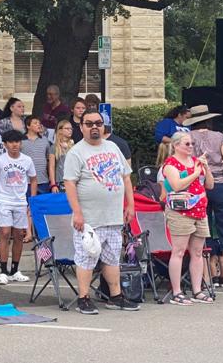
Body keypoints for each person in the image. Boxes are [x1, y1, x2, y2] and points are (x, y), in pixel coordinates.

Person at [64, 110, 137, 314]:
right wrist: (77, 212)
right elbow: (69, 183)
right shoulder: (76, 152)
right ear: (82, 127)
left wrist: (130, 205)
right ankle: (84, 297)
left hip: (113, 216)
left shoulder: (113, 147)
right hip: (89, 219)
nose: (94, 127)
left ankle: (115, 296)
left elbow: (126, 177)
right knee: (87, 257)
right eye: (89, 124)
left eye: (98, 123)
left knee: (112, 257)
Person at [184, 106, 223, 292]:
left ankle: (207, 277)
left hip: (198, 185)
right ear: (209, 120)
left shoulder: (188, 137)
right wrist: (221, 164)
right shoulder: (219, 137)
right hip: (219, 185)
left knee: (203, 229)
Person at [162, 132, 214, 305]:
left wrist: (206, 170)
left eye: (192, 143)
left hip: (199, 210)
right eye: (187, 144)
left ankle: (197, 289)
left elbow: (210, 185)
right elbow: (177, 185)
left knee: (197, 252)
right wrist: (195, 172)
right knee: (178, 251)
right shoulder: (170, 164)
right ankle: (176, 291)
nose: (191, 146)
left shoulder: (196, 162)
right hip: (180, 212)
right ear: (176, 145)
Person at [0, 129, 37, 285]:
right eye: (11, 142)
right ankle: (3, 270)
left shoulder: (27, 160)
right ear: (5, 144)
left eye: (17, 142)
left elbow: (34, 179)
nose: (15, 145)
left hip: (20, 201)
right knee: (5, 232)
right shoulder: (0, 161)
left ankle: (15, 269)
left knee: (19, 235)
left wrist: (32, 201)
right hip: (4, 200)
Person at [21, 115, 56, 193]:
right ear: (28, 126)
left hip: (43, 181)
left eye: (39, 123)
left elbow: (48, 160)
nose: (38, 125)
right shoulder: (21, 141)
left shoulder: (45, 140)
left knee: (43, 204)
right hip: (26, 181)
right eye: (35, 123)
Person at [53, 119, 76, 185]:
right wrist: (53, 184)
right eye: (67, 128)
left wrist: (68, 149)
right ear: (60, 130)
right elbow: (52, 167)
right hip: (60, 180)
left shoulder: (75, 146)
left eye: (71, 129)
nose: (70, 130)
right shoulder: (54, 147)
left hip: (73, 180)